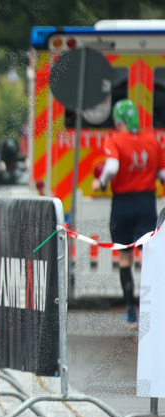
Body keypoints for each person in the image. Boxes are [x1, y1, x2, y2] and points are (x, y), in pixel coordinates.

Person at [92, 99, 165, 324]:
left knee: (125, 256)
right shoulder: (152, 140)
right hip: (146, 203)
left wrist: (101, 182)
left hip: (122, 204)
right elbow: (163, 174)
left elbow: (112, 167)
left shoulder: (115, 140)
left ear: (118, 120)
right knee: (147, 254)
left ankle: (131, 310)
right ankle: (151, 307)